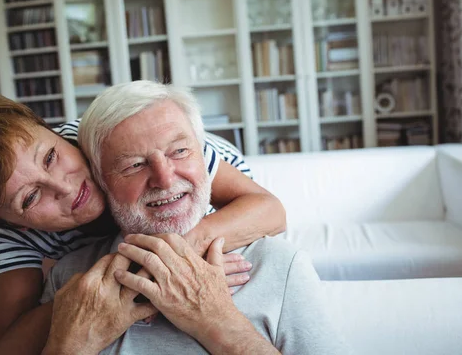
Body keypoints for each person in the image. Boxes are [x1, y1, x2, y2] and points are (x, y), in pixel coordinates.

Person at [0, 95, 286, 355]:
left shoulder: (113, 141)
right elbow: (4, 347)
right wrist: (89, 295)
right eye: (30, 199)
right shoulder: (7, 237)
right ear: (8, 224)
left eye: (50, 156)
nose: (66, 187)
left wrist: (179, 250)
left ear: (50, 130)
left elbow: (270, 210)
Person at [40, 80, 349, 354]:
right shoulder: (70, 280)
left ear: (205, 158)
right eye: (134, 165)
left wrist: (218, 323)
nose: (165, 178)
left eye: (180, 151)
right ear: (101, 181)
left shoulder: (280, 266)